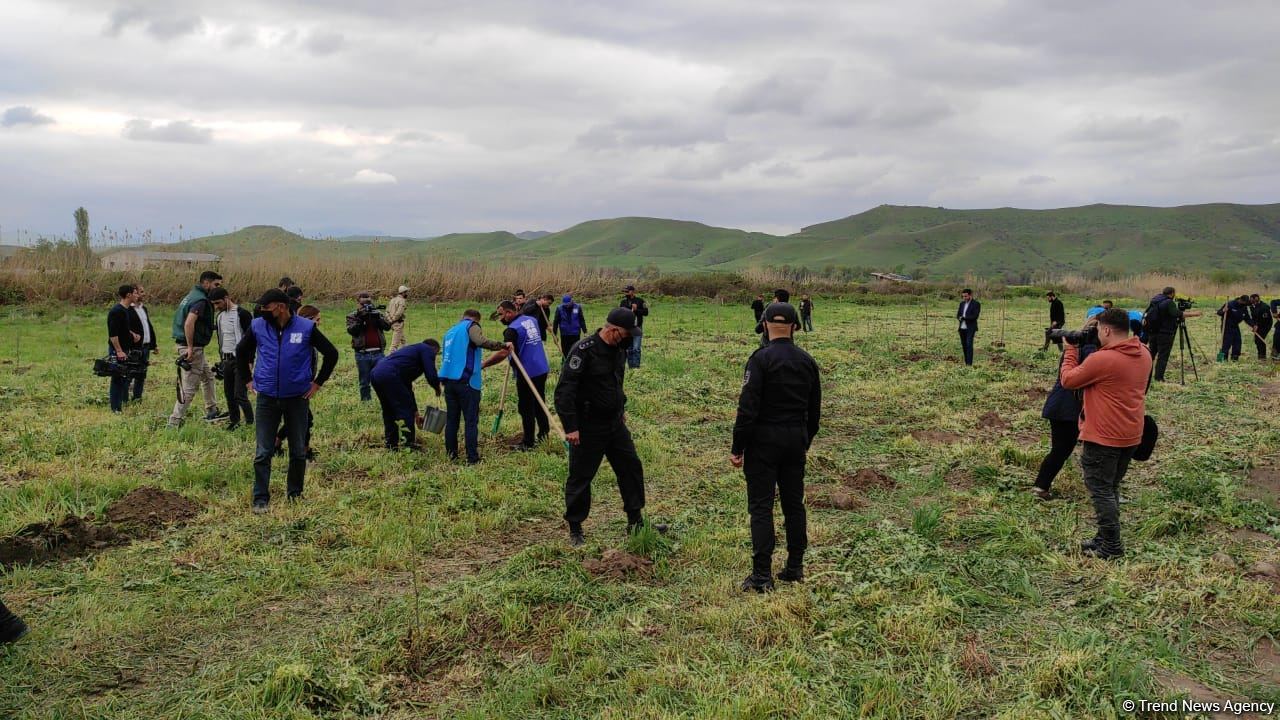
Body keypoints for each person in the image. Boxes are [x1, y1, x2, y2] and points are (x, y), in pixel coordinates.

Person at [730, 302, 822, 593]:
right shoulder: (807, 361)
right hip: (795, 440)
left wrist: (738, 446)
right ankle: (795, 567)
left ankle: (761, 575)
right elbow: (815, 412)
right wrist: (804, 440)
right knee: (794, 505)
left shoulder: (760, 360)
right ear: (795, 327)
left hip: (763, 441)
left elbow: (747, 409)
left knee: (761, 506)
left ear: (765, 324)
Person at [555, 307, 664, 546]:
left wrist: (620, 408)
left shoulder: (619, 350)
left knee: (631, 467)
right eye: (626, 334)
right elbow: (565, 391)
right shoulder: (584, 351)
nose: (629, 339)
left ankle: (635, 521)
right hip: (588, 426)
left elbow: (616, 382)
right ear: (614, 330)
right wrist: (571, 426)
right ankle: (575, 528)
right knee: (581, 476)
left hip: (614, 424)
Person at [1059, 308, 1152, 559]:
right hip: (1131, 433)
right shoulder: (1144, 352)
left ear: (1107, 330)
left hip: (1103, 436)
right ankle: (1104, 537)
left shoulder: (1103, 359)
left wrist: (1070, 350)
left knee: (1100, 489)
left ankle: (1111, 546)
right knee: (1111, 487)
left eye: (1099, 329)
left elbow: (1068, 380)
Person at [236, 289, 338, 513]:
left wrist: (317, 383)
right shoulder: (258, 326)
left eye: (266, 307)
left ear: (280, 307)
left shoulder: (306, 327)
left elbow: (331, 353)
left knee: (298, 450)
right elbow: (241, 351)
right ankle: (260, 498)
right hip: (267, 398)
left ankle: (295, 494)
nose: (261, 311)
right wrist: (247, 380)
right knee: (263, 451)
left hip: (297, 398)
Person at [1031, 315, 1098, 500]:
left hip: (1060, 405)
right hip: (1069, 408)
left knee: (1060, 450)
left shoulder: (1075, 346)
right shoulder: (1092, 352)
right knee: (1063, 449)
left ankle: (1040, 486)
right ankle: (1041, 486)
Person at [438, 309, 505, 464]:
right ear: (476, 319)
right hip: (467, 381)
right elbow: (480, 341)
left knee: (452, 420)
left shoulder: (450, 332)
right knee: (470, 421)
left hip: (449, 381)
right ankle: (472, 458)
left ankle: (451, 455)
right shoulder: (471, 326)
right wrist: (502, 345)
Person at [485, 300, 550, 450]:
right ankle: (543, 434)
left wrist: (484, 364)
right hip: (541, 367)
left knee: (525, 407)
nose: (500, 318)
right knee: (539, 402)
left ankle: (528, 442)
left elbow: (504, 352)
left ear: (509, 313)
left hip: (527, 372)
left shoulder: (511, 330)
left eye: (501, 315)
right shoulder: (531, 320)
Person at [168, 271, 226, 427]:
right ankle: (174, 421)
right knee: (190, 387)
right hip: (192, 348)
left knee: (208, 376)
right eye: (216, 284)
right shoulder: (201, 300)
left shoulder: (192, 295)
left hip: (188, 345)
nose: (218, 288)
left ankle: (212, 410)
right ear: (206, 283)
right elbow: (189, 323)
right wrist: (190, 347)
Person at [370, 338, 442, 450]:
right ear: (434, 349)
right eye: (435, 354)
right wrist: (437, 387)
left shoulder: (410, 355)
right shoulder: (427, 349)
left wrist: (416, 413)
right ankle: (408, 444)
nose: (433, 357)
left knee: (389, 410)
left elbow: (407, 389)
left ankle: (391, 443)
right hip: (390, 374)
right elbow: (431, 374)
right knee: (405, 411)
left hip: (376, 373)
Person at [210, 288, 254, 431]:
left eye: (218, 303)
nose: (217, 306)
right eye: (214, 304)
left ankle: (250, 422)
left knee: (240, 394)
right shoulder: (220, 317)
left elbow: (252, 339)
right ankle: (235, 421)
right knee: (229, 393)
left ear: (226, 298)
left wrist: (250, 360)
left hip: (241, 359)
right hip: (226, 359)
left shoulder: (242, 314)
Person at [346, 292, 391, 401]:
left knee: (383, 378)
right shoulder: (353, 316)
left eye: (369, 302)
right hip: (362, 354)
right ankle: (366, 402)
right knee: (364, 381)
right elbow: (352, 331)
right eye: (363, 303)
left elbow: (387, 327)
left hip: (379, 353)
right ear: (358, 303)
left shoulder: (377, 313)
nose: (366, 305)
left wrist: (378, 318)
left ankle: (384, 400)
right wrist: (361, 319)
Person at [107, 284, 140, 413]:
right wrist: (119, 351)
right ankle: (115, 408)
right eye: (135, 293)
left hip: (125, 349)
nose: (137, 295)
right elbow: (113, 334)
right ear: (128, 295)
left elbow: (123, 329)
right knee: (117, 377)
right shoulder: (116, 311)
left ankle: (120, 404)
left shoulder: (125, 310)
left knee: (123, 377)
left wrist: (132, 335)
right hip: (117, 350)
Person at [1144, 287, 1187, 382]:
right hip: (1165, 333)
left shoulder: (1155, 300)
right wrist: (1193, 314)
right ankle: (1159, 378)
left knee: (1151, 355)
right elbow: (1176, 313)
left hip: (1153, 332)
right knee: (1163, 356)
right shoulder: (1169, 302)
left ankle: (1145, 376)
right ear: (1172, 293)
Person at [127, 284, 158, 401]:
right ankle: (124, 398)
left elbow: (148, 326)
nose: (143, 294)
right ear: (133, 294)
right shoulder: (128, 310)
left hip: (145, 346)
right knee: (130, 372)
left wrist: (154, 344)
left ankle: (137, 398)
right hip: (134, 347)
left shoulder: (143, 308)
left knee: (142, 373)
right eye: (141, 292)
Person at [620, 285, 649, 368]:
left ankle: (636, 366)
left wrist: (636, 310)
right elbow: (621, 313)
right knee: (629, 348)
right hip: (627, 328)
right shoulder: (623, 302)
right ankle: (631, 366)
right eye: (624, 291)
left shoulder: (640, 301)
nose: (625, 293)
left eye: (627, 291)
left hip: (637, 327)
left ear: (632, 291)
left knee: (636, 348)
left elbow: (646, 312)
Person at [1216, 295, 1249, 361]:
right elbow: (1218, 312)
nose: (1244, 304)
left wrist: (1253, 325)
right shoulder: (1230, 304)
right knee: (1227, 343)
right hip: (1227, 326)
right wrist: (1223, 311)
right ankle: (1223, 359)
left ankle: (1234, 358)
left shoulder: (1244, 307)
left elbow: (1247, 318)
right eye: (1243, 303)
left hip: (1235, 326)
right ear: (1240, 300)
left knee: (1237, 342)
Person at [956, 289, 981, 366]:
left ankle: (969, 364)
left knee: (969, 345)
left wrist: (964, 318)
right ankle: (966, 362)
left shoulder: (976, 304)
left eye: (966, 296)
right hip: (962, 328)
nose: (964, 298)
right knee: (964, 345)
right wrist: (959, 318)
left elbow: (975, 316)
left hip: (970, 327)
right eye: (963, 296)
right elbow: (958, 314)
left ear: (970, 295)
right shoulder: (962, 304)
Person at [387, 285, 410, 352]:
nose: (407, 293)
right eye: (406, 292)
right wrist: (393, 320)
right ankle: (391, 356)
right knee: (394, 346)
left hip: (392, 323)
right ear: (403, 293)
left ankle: (407, 352)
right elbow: (399, 313)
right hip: (397, 324)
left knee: (403, 342)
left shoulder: (392, 300)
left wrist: (389, 320)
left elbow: (387, 311)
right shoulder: (402, 301)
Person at [1248, 294, 1271, 360]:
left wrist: (1257, 325)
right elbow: (1254, 317)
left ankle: (1262, 357)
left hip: (1265, 325)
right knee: (1257, 340)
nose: (1251, 301)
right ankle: (1261, 355)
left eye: (1252, 300)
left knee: (1260, 340)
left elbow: (1265, 320)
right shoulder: (1252, 306)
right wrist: (1254, 325)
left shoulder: (1264, 307)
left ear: (1256, 299)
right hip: (1257, 324)